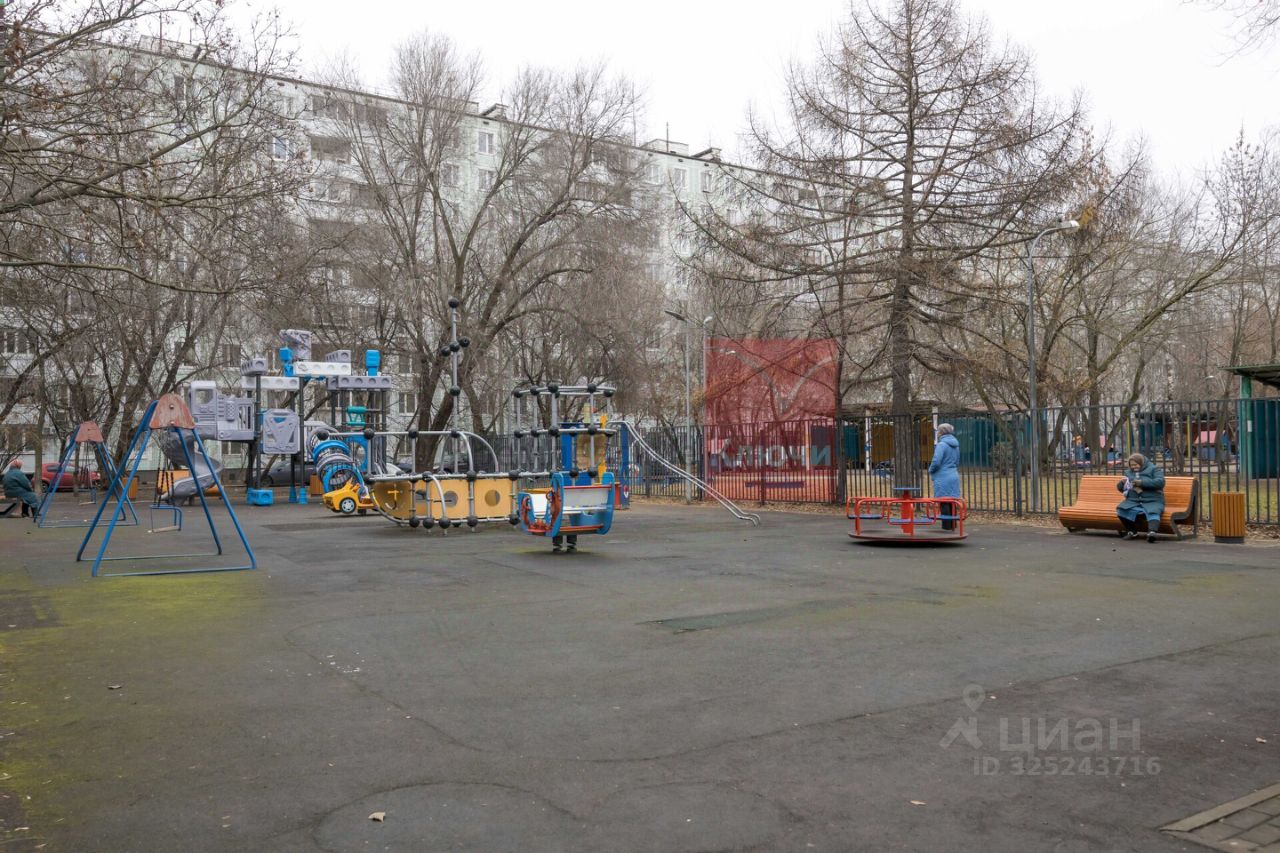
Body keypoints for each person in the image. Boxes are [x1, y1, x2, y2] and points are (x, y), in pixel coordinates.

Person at [1116, 452, 1165, 543]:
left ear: (1142, 463)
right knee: (1121, 510)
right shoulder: (1128, 472)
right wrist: (1122, 484)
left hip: (1152, 499)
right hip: (1134, 500)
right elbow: (1122, 489)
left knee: (1153, 511)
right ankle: (1132, 531)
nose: (1134, 467)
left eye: (1136, 464)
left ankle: (1152, 532)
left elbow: (1160, 482)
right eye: (1131, 465)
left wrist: (1142, 483)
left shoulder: (1154, 469)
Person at [929, 423, 961, 530]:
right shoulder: (956, 445)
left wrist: (931, 470)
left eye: (938, 430)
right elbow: (957, 461)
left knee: (944, 501)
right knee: (952, 501)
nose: (937, 432)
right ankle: (953, 525)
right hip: (953, 474)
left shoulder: (941, 445)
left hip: (943, 476)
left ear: (941, 432)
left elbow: (936, 461)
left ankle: (946, 527)